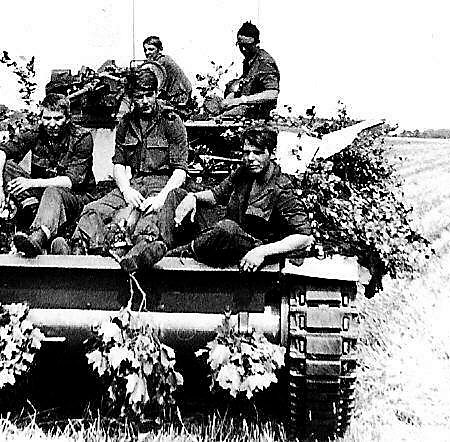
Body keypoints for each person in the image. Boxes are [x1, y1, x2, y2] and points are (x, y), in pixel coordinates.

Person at [60, 69, 188, 272]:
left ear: (156, 93)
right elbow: (118, 164)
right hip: (134, 183)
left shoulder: (171, 121)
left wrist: (162, 198)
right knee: (94, 209)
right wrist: (127, 190)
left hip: (162, 184)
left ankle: (137, 254)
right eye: (139, 96)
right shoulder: (126, 123)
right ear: (132, 97)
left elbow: (180, 170)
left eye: (149, 95)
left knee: (150, 218)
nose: (145, 101)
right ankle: (80, 252)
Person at [169, 129, 313, 272]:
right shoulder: (244, 172)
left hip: (251, 246)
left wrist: (261, 252)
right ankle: (165, 244)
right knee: (178, 195)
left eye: (257, 153)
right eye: (246, 152)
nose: (250, 158)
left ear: (272, 153)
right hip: (227, 235)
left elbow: (304, 236)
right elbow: (216, 195)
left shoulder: (281, 188)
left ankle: (182, 251)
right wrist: (193, 197)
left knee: (227, 228)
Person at [0, 93, 95, 257]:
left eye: (58, 118)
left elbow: (70, 181)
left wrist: (31, 183)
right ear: (41, 118)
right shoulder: (36, 133)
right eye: (47, 118)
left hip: (75, 198)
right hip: (43, 194)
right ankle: (32, 210)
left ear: (67, 119)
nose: (52, 124)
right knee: (6, 167)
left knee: (53, 191)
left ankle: (38, 238)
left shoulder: (82, 138)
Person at [220, 21, 280, 119]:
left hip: (258, 113)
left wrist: (241, 100)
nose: (243, 49)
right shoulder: (249, 61)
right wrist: (231, 97)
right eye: (240, 45)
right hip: (246, 108)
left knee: (221, 118)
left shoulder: (264, 62)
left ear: (256, 43)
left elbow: (272, 93)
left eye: (247, 45)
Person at [142, 36, 193, 106]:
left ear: (159, 49)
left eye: (151, 49)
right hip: (178, 95)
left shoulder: (162, 62)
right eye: (145, 50)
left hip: (178, 97)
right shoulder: (163, 59)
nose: (147, 52)